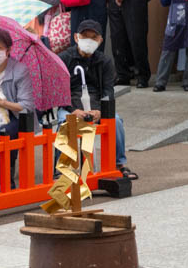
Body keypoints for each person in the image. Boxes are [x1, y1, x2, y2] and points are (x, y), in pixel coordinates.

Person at [58, 19, 136, 180]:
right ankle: (61, 169)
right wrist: (73, 110)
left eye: (94, 37)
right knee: (63, 123)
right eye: (85, 36)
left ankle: (118, 163)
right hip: (70, 106)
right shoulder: (64, 58)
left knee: (116, 122)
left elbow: (108, 90)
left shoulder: (105, 61)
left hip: (96, 106)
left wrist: (101, 111)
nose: (89, 40)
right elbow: (59, 91)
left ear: (100, 40)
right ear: (76, 37)